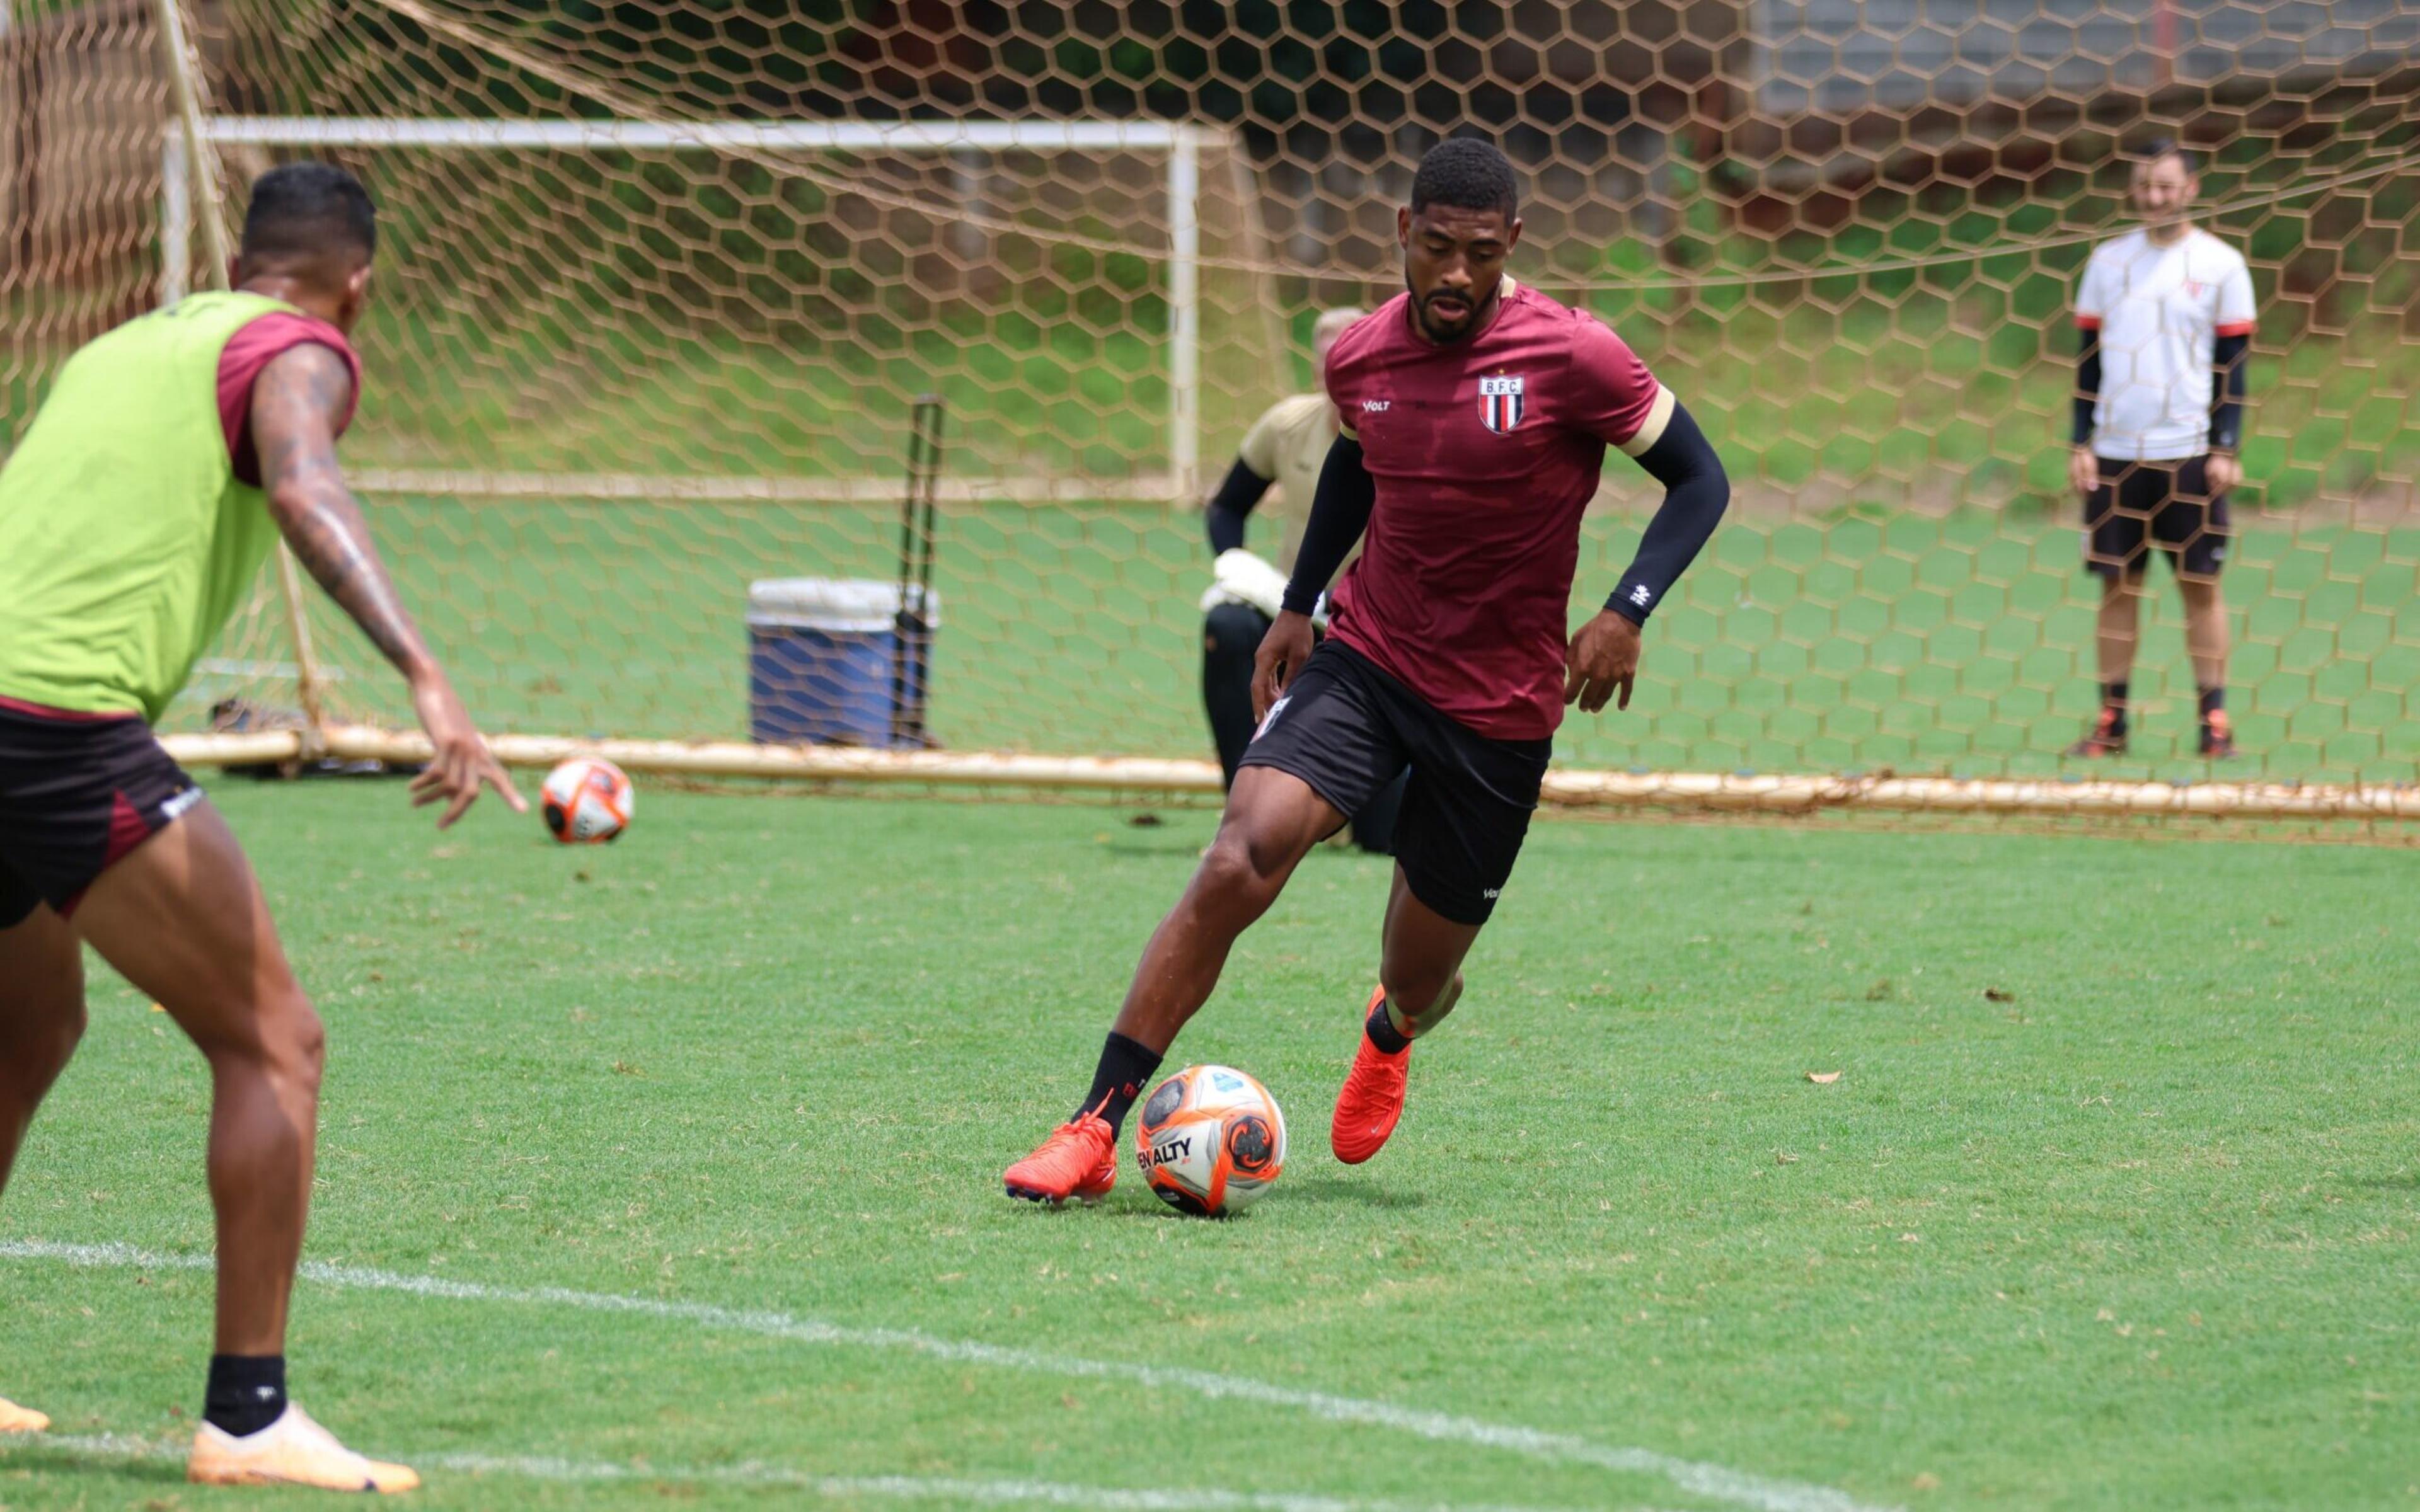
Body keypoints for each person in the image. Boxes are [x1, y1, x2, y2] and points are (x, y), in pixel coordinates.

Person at [1003, 138, 1729, 1203]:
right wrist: (1298, 606)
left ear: (1512, 246)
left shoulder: (1577, 356)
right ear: (1403, 233)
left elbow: (1700, 480)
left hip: (1499, 711)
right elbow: (1354, 459)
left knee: (1420, 974)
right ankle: (1095, 1126)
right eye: (1435, 247)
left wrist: (1627, 610)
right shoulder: (1363, 356)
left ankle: (1390, 1031)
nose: (1454, 275)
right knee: (1237, 858)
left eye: (1479, 254)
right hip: (1369, 659)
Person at [0, 163, 522, 1491]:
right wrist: (424, 672)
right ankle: (249, 1416)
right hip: (47, 725)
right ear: (359, 282)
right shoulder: (300, 347)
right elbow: (304, 486)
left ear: (246, 255)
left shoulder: (130, 341)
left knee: (29, 1021)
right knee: (275, 1041)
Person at [2066, 138, 2256, 759]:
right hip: (2118, 453)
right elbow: (2088, 361)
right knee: (2117, 587)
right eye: (2146, 186)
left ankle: (2214, 722)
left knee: (2201, 586)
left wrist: (2226, 445)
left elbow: (2234, 365)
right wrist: (2081, 440)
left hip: (2190, 455)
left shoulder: (2221, 264)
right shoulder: (2108, 262)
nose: (2155, 198)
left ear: (2192, 189)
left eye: (2167, 187)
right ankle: (2111, 722)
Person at [1199, 305, 1404, 852]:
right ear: (1318, 367)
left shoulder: (1412, 427)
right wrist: (1235, 566)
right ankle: (1243, 810)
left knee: (1384, 838)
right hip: (1295, 609)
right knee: (1227, 625)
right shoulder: (1288, 424)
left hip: (1381, 621)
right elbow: (1226, 508)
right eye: (1328, 354)